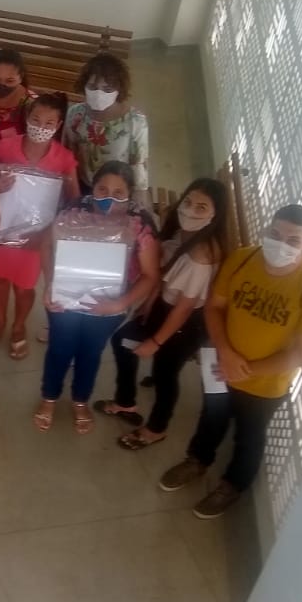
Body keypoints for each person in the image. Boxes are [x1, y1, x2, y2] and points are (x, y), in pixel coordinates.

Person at [159, 204, 302, 520]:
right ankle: (197, 460)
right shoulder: (242, 259)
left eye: (293, 240)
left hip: (265, 384)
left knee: (249, 436)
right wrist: (226, 354)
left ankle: (232, 485)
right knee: (211, 417)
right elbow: (214, 307)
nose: (281, 244)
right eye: (275, 234)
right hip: (220, 364)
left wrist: (246, 369)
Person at [96, 179, 231, 449]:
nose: (190, 210)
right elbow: (164, 271)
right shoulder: (183, 233)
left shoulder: (201, 257)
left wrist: (156, 342)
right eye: (188, 202)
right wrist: (150, 302)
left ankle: (156, 429)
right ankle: (125, 402)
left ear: (215, 215)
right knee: (123, 341)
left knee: (166, 372)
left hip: (187, 322)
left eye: (201, 207)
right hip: (165, 305)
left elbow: (184, 308)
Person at [35, 162, 161, 433]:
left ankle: (80, 401)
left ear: (129, 194)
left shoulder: (138, 225)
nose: (108, 198)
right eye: (102, 189)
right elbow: (45, 245)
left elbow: (151, 275)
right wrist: (50, 284)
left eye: (118, 192)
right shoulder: (73, 212)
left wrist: (118, 304)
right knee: (59, 349)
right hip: (65, 299)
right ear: (93, 187)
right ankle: (49, 398)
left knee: (90, 354)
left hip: (109, 305)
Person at [0, 93, 81, 357]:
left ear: (58, 125)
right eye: (36, 119)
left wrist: (48, 234)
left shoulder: (64, 159)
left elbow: (73, 204)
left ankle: (18, 326)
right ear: (26, 117)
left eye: (49, 123)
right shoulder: (4, 147)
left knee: (25, 287)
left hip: (37, 238)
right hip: (2, 230)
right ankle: (0, 321)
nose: (41, 127)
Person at [64, 51, 151, 192]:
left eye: (108, 89)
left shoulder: (136, 122)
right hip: (82, 184)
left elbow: (139, 164)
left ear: (119, 90)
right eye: (92, 87)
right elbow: (68, 152)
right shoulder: (75, 114)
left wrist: (139, 195)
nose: (99, 94)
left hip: (115, 189)